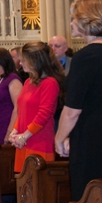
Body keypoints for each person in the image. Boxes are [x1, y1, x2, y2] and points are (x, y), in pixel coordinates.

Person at [55, 0, 102, 202]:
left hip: (91, 135)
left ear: (87, 20)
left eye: (74, 18)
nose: (71, 23)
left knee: (89, 197)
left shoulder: (87, 57)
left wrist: (60, 138)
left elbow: (72, 109)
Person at [10, 42, 63, 172]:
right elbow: (22, 110)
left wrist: (24, 136)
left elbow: (43, 114)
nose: (21, 63)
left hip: (38, 140)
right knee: (24, 185)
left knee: (37, 186)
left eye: (24, 60)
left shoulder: (50, 83)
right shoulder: (28, 81)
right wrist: (15, 131)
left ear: (36, 61)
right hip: (23, 141)